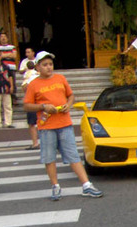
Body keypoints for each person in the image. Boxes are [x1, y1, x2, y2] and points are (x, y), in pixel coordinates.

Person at [23, 51, 103, 201]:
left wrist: (68, 104)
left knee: (73, 155)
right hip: (46, 126)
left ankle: (86, 185)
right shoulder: (33, 84)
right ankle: (55, 186)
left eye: (50, 64)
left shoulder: (60, 78)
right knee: (49, 158)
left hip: (64, 123)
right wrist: (43, 107)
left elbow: (71, 95)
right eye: (45, 65)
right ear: (38, 67)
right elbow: (27, 105)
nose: (48, 67)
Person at [21, 60, 40, 149]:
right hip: (40, 102)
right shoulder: (38, 75)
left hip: (33, 103)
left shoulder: (29, 75)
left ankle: (35, 143)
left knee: (32, 124)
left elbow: (25, 88)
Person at [0, 33, 18, 101]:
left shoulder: (12, 47)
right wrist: (9, 54)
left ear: (7, 38)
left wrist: (4, 55)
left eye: (4, 36)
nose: (3, 38)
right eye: (1, 37)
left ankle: (13, 97)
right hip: (2, 68)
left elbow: (14, 56)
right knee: (4, 82)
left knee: (13, 82)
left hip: (11, 67)